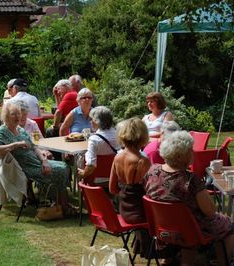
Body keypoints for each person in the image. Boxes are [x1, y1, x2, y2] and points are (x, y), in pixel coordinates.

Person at [143, 131, 234, 265]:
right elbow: (210, 211)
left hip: (163, 228)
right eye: (191, 149)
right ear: (181, 156)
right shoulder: (191, 180)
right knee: (228, 224)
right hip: (191, 231)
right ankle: (222, 262)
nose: (193, 152)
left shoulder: (152, 171)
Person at [0, 102, 76, 216]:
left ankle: (59, 202)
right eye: (13, 114)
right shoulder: (2, 131)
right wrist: (16, 144)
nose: (17, 117)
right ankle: (63, 206)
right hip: (24, 167)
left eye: (18, 114)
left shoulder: (20, 130)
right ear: (6, 116)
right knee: (58, 171)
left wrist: (44, 160)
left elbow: (34, 147)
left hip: (36, 161)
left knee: (64, 166)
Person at [109, 117, 151, 257]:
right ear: (142, 136)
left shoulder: (117, 158)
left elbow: (112, 189)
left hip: (124, 210)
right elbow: (152, 193)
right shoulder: (142, 161)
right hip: (140, 213)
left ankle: (141, 244)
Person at [78, 106, 120, 178]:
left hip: (97, 180)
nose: (90, 121)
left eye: (91, 119)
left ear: (97, 121)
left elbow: (91, 165)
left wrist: (83, 174)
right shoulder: (120, 134)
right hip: (116, 177)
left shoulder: (94, 140)